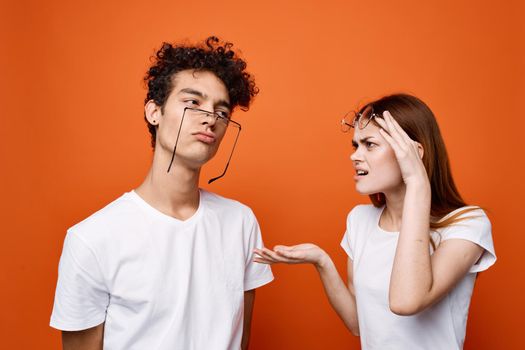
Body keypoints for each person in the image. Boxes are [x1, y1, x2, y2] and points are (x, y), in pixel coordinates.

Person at [50, 36, 273, 350]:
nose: (210, 118)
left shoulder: (241, 223)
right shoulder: (92, 238)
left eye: (221, 111)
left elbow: (241, 337)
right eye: (193, 102)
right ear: (154, 112)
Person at [254, 94, 495, 350]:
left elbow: (406, 302)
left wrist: (417, 183)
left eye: (369, 144)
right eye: (355, 145)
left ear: (414, 152)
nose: (355, 156)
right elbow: (358, 324)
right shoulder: (360, 220)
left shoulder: (467, 225)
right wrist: (321, 261)